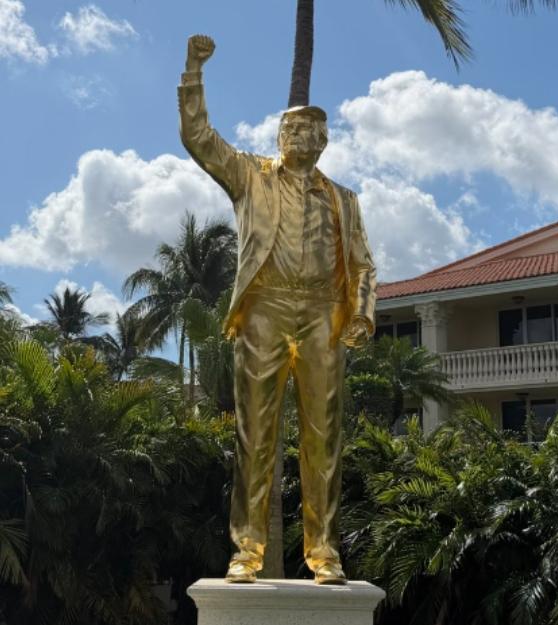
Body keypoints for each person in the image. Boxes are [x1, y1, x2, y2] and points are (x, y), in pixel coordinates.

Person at [178, 34, 376, 585]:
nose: (298, 137)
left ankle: (324, 552)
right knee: (255, 433)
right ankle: (247, 550)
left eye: (310, 130)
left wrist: (361, 314)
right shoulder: (250, 176)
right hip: (265, 307)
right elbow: (198, 137)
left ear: (324, 141)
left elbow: (362, 265)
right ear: (279, 137)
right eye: (291, 129)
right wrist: (194, 73)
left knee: (323, 439)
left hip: (322, 315)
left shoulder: (343, 199)